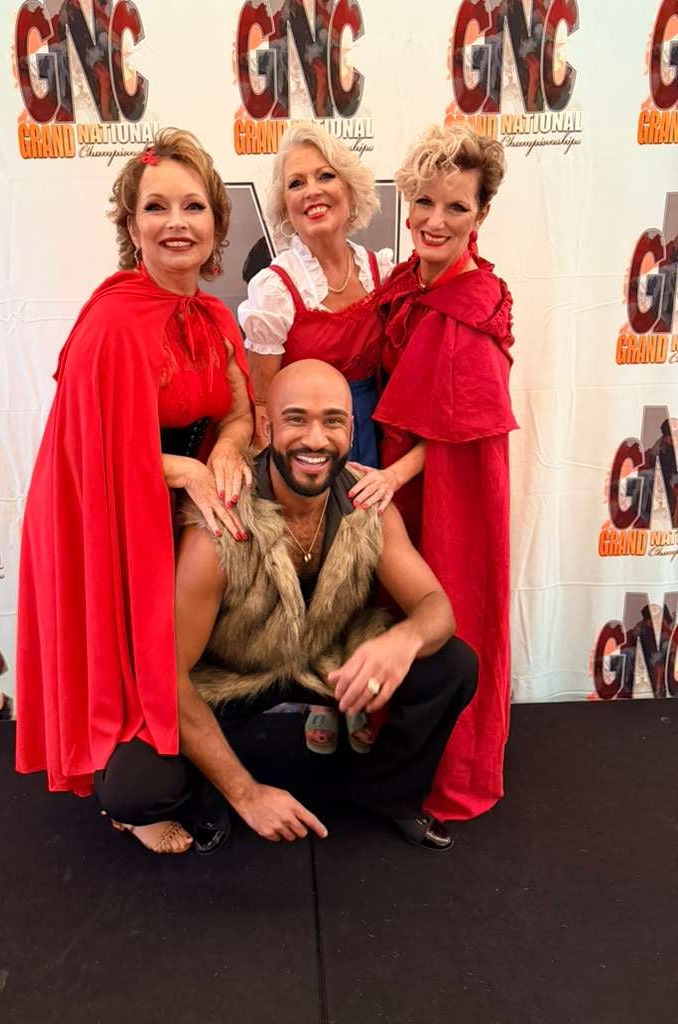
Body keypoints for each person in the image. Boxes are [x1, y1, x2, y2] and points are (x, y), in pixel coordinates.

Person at [94, 360, 479, 854]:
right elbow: (169, 675)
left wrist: (401, 642)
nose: (315, 439)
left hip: (325, 657)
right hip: (230, 672)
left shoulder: (366, 501)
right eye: (296, 419)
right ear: (267, 427)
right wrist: (247, 793)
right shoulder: (220, 523)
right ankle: (213, 795)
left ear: (351, 429)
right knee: (133, 789)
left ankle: (387, 793)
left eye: (333, 421)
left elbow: (436, 608)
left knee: (452, 664)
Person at [16, 129, 254, 853]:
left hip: (180, 516)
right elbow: (86, 460)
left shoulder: (214, 317)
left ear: (216, 222)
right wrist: (182, 469)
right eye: (157, 207)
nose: (176, 222)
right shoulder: (113, 322)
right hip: (109, 519)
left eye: (192, 206)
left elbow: (240, 409)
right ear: (132, 226)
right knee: (129, 680)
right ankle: (128, 796)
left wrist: (231, 446)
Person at [369, 123, 518, 822]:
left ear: (481, 215)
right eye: (424, 202)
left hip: (449, 496)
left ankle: (447, 776)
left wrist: (393, 479)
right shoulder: (410, 282)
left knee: (451, 615)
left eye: (456, 208)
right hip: (400, 486)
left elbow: (459, 436)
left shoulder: (470, 306)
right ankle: (390, 759)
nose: (434, 220)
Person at [238, 123, 396, 754]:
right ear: (285, 207)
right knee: (314, 568)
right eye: (295, 183)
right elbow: (261, 399)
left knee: (365, 565)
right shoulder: (276, 287)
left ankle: (363, 682)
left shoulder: (380, 266)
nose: (311, 191)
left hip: (368, 428)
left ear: (350, 190)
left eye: (323, 175)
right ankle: (322, 694)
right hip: (309, 440)